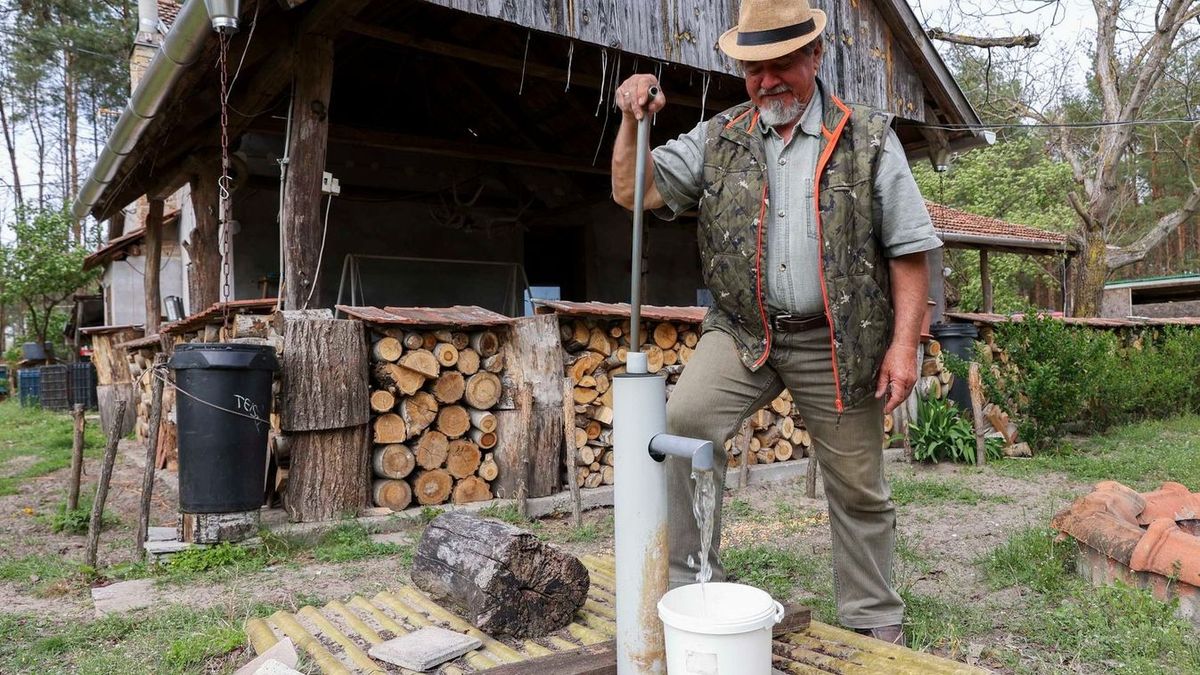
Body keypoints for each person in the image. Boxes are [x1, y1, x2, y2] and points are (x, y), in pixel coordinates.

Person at [610, 0, 941, 646]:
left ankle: (873, 612)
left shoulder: (867, 136)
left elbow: (908, 248)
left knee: (857, 480)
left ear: (815, 58)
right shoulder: (721, 136)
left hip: (835, 337)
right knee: (684, 422)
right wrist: (630, 121)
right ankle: (691, 581)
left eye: (781, 64)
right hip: (741, 328)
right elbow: (634, 191)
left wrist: (904, 345)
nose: (767, 81)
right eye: (753, 68)